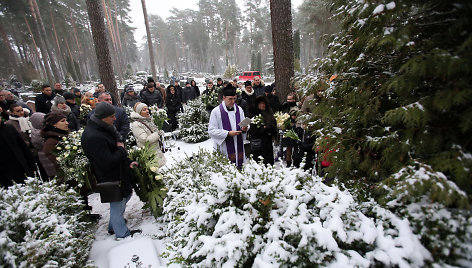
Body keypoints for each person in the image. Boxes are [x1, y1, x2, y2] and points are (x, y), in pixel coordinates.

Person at [81, 102, 141, 239]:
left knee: (123, 198)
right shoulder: (93, 136)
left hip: (118, 173)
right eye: (112, 116)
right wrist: (121, 148)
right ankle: (122, 233)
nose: (115, 119)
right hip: (111, 176)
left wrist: (128, 161)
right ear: (103, 117)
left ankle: (113, 226)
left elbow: (113, 151)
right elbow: (108, 160)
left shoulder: (102, 128)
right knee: (117, 203)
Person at [208, 84, 249, 168]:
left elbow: (244, 124)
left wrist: (245, 128)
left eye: (234, 99)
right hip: (224, 146)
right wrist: (227, 133)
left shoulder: (239, 109)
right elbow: (211, 131)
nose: (233, 102)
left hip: (238, 144)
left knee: (239, 167)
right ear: (224, 98)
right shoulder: (216, 112)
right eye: (230, 99)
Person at [0, 116, 35, 187]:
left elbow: (22, 146)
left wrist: (31, 163)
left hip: (21, 167)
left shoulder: (9, 128)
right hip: (4, 174)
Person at [130, 102, 166, 167]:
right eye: (144, 110)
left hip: (155, 151)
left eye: (147, 109)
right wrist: (157, 134)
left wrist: (160, 133)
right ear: (139, 112)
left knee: (158, 171)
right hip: (148, 153)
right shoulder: (136, 124)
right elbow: (145, 140)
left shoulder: (148, 120)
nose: (147, 111)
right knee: (153, 170)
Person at [39, 112, 69, 179]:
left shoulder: (64, 136)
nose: (67, 123)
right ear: (53, 124)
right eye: (62, 121)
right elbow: (58, 164)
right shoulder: (51, 142)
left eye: (66, 120)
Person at [248, 96, 277, 165]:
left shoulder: (269, 112)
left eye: (264, 103)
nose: (262, 105)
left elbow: (274, 125)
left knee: (268, 162)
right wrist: (262, 128)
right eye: (261, 103)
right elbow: (252, 129)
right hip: (258, 143)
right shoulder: (254, 114)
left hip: (267, 143)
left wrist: (269, 128)